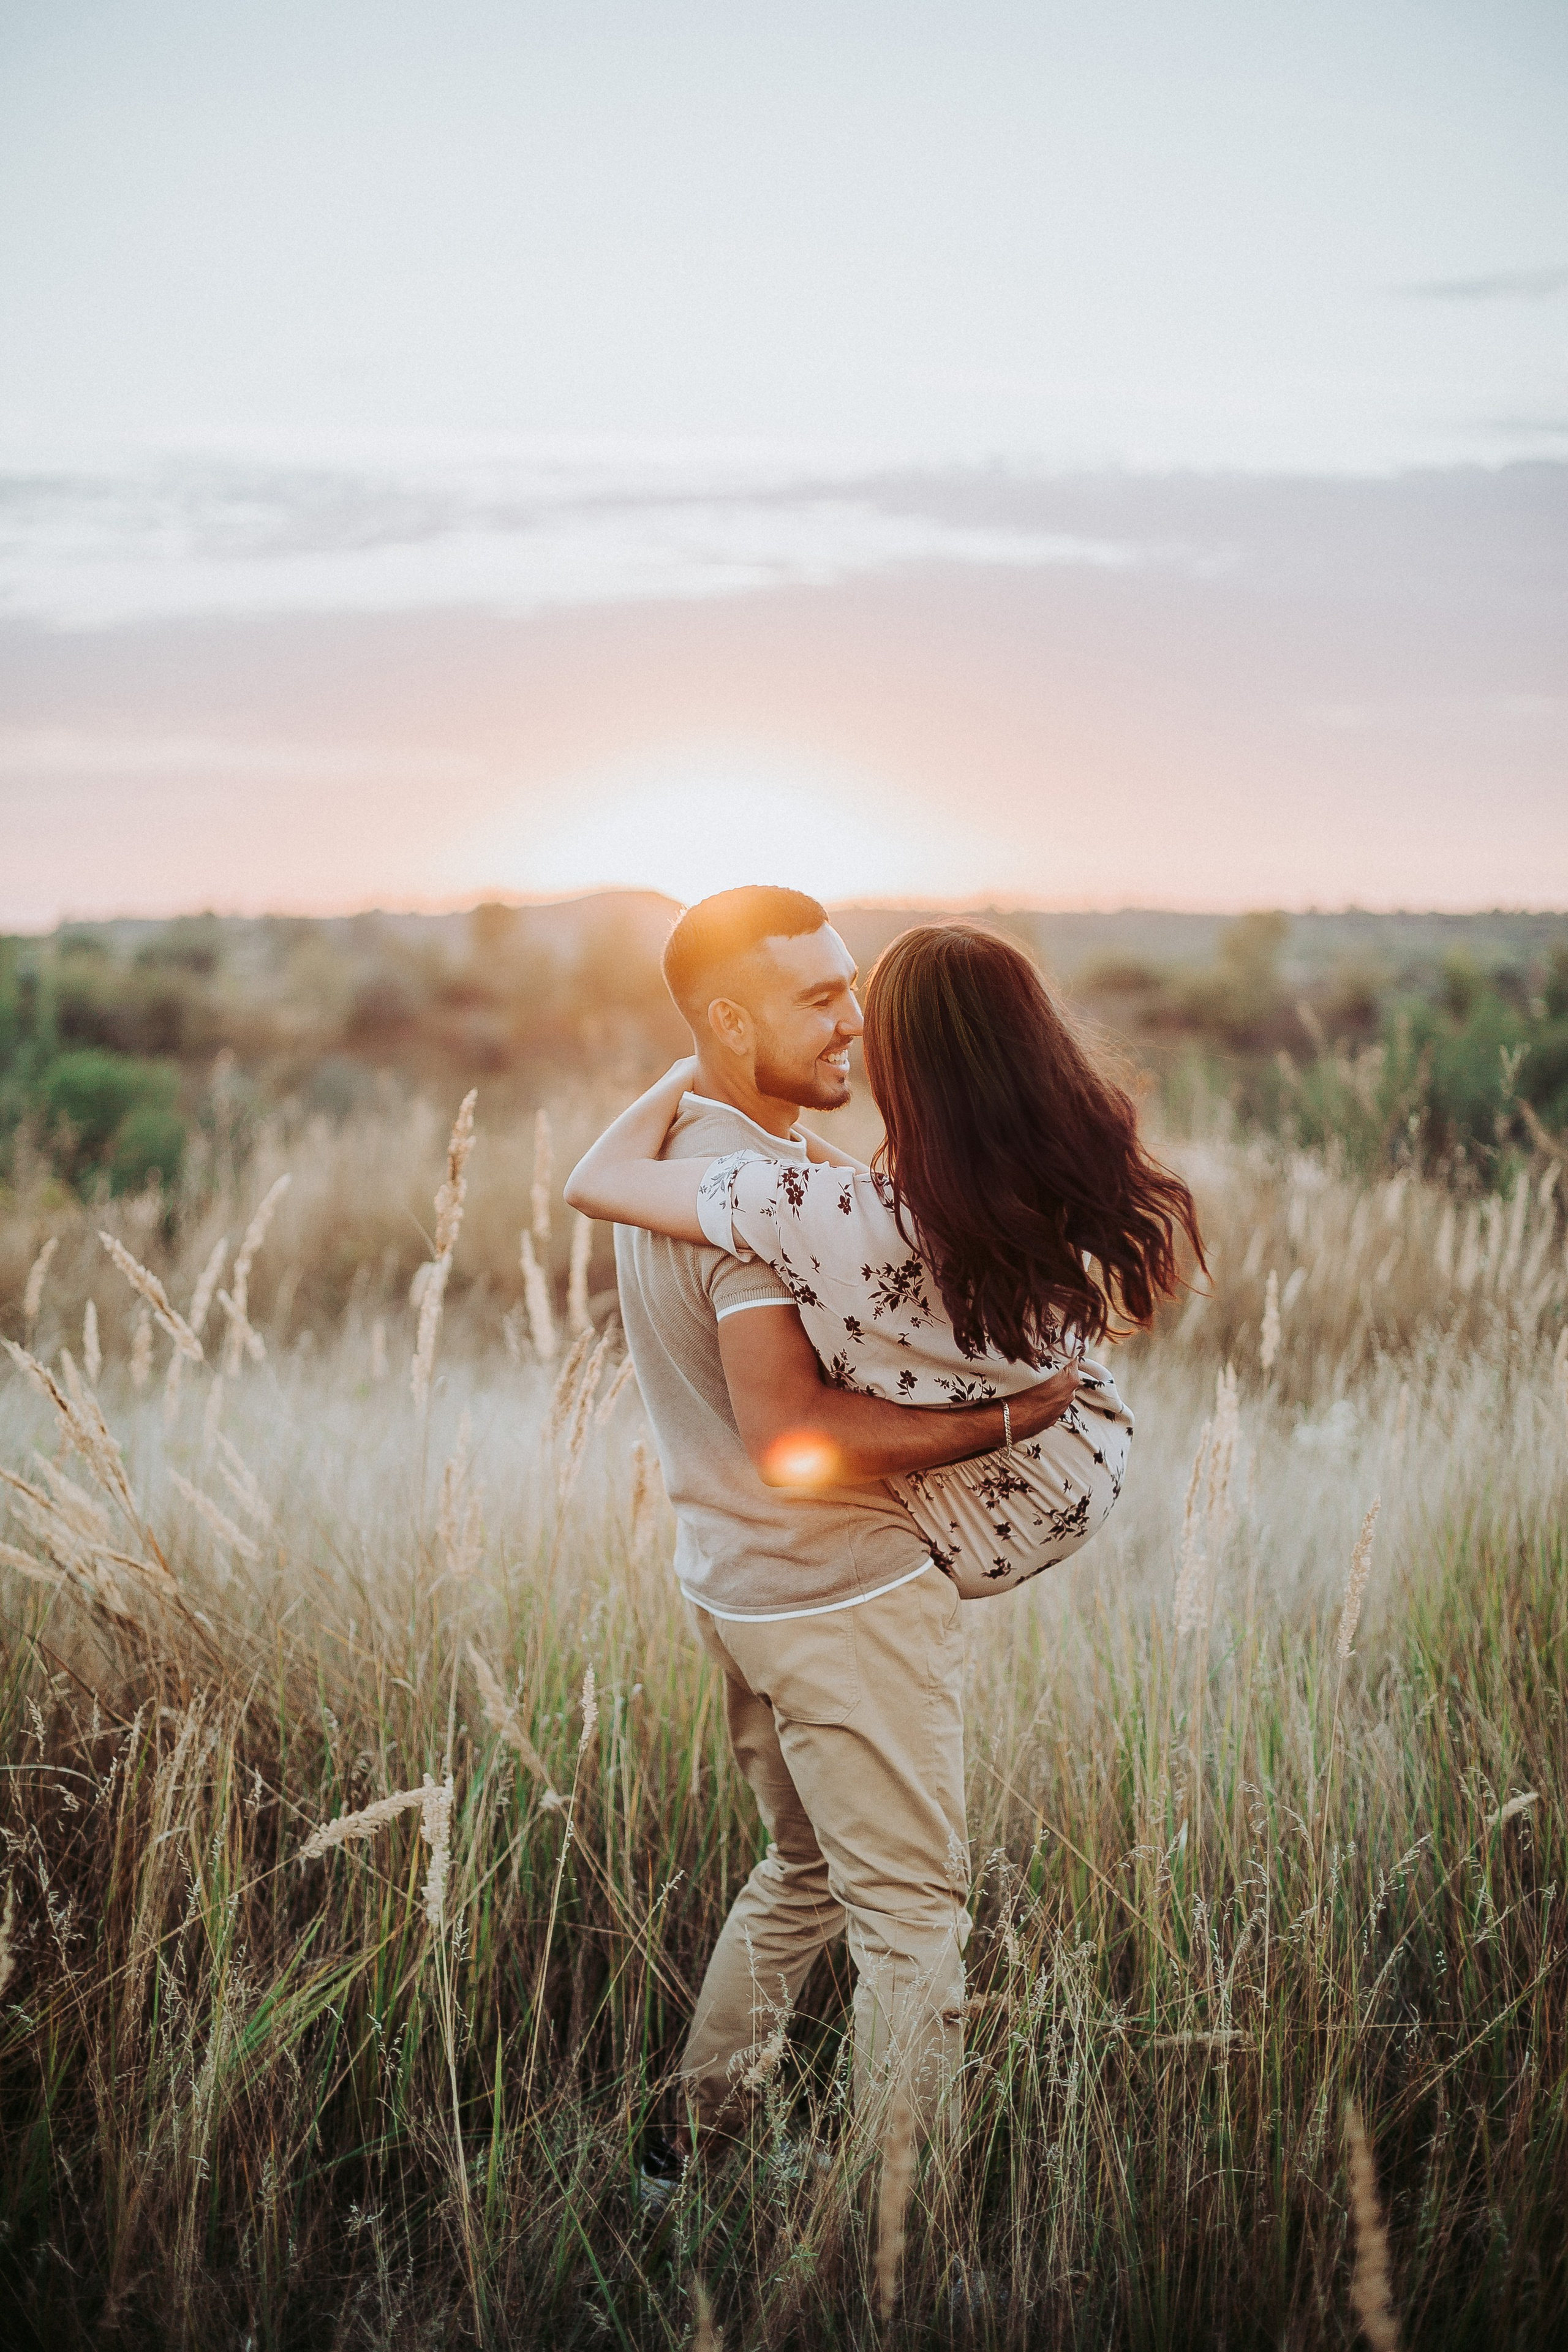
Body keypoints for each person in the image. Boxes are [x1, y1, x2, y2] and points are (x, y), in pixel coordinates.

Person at [565, 888, 1084, 2185]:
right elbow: (790, 1435)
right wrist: (1011, 1416)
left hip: (737, 1588)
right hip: (837, 1597)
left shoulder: (681, 1153)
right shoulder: (761, 1194)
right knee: (910, 1920)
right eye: (816, 999)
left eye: (848, 985)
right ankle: (898, 2255)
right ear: (730, 1019)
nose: (853, 1021)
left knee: (800, 1872)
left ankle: (683, 2166)